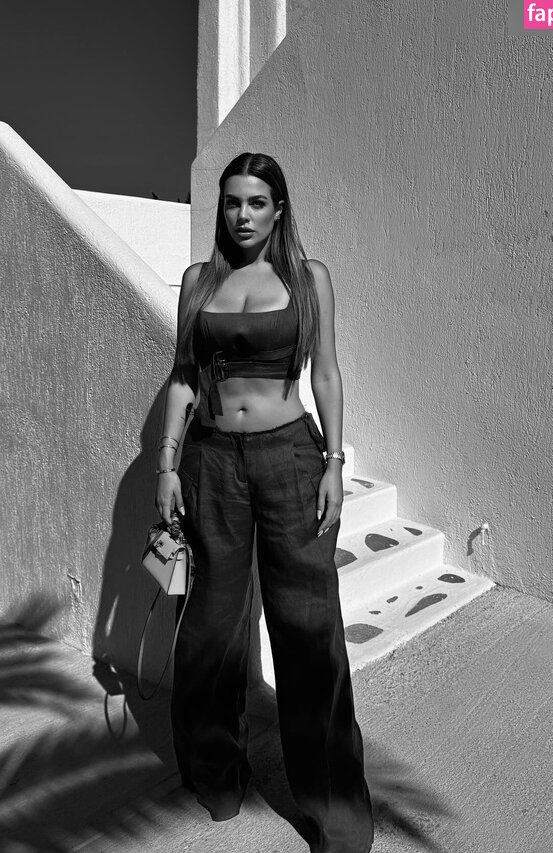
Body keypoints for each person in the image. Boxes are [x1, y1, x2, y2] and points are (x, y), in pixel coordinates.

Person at [154, 152, 374, 853]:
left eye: (256, 202)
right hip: (212, 461)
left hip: (290, 458)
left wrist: (334, 462)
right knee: (209, 625)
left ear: (279, 209)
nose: (242, 215)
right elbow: (184, 377)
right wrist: (167, 463)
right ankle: (217, 775)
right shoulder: (199, 282)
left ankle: (337, 814)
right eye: (231, 202)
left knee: (307, 627)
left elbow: (327, 373)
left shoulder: (309, 279)